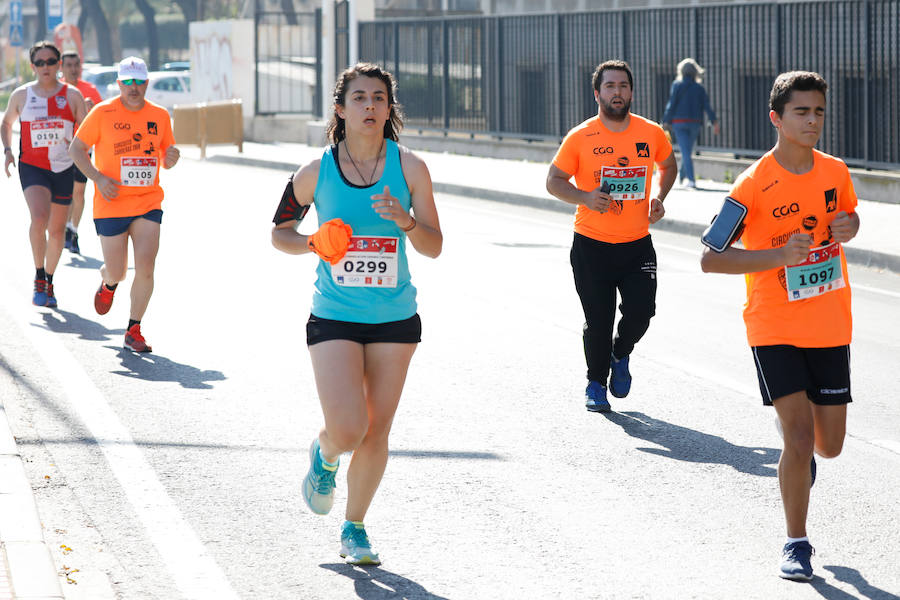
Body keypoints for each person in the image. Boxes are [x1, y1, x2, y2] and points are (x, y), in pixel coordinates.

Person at [271, 63, 442, 565]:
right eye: (361, 98)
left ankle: (355, 527)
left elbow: (434, 246)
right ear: (340, 109)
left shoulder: (410, 168)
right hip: (335, 315)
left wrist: (407, 221)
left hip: (394, 317)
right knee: (348, 428)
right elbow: (278, 233)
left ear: (390, 109)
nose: (371, 106)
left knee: (376, 431)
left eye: (380, 98)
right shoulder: (315, 171)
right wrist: (311, 243)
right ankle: (325, 454)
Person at [700, 71, 859, 581]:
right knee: (797, 435)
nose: (812, 121)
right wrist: (775, 255)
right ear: (776, 118)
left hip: (830, 320)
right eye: (801, 112)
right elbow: (710, 258)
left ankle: (804, 451)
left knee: (827, 445)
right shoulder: (752, 183)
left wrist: (850, 226)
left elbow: (849, 218)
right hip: (773, 324)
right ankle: (796, 542)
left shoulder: (836, 171)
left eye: (818, 112)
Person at [546, 59, 677, 412]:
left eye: (623, 86)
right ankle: (594, 383)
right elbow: (553, 181)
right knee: (598, 322)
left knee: (642, 313)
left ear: (631, 92)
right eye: (609, 86)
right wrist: (586, 197)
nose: (617, 92)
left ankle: (621, 353)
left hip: (637, 245)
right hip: (591, 244)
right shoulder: (581, 136)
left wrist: (658, 197)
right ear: (597, 94)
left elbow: (668, 165)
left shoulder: (650, 133)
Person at [69, 57, 180, 352]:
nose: (133, 87)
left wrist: (171, 157)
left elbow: (166, 153)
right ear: (119, 83)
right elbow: (76, 149)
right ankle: (108, 282)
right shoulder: (103, 112)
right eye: (127, 82)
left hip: (147, 201)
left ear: (146, 83)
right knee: (118, 271)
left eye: (138, 81)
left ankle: (134, 329)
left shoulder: (159, 114)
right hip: (111, 203)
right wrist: (97, 178)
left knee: (145, 266)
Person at [1, 41, 87, 307]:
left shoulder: (72, 96)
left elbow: (85, 131)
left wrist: (77, 144)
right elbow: (6, 123)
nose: (46, 67)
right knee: (39, 218)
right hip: (33, 166)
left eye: (51, 61)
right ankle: (39, 275)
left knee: (58, 230)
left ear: (58, 64)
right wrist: (7, 150)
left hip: (63, 167)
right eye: (40, 63)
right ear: (33, 66)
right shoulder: (22, 95)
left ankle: (49, 278)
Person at [60, 49, 103, 255]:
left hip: (83, 149)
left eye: (76, 65)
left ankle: (73, 232)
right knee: (63, 194)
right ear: (62, 67)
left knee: (78, 193)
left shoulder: (90, 90)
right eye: (68, 65)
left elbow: (103, 118)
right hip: (59, 150)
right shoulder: (56, 90)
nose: (73, 69)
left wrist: (90, 110)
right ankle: (63, 227)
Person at [661, 58, 720, 189]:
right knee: (686, 150)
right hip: (695, 123)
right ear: (695, 72)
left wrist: (665, 121)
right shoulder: (699, 88)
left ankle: (691, 180)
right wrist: (714, 121)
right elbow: (707, 106)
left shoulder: (677, 85)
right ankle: (682, 177)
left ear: (681, 71)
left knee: (685, 151)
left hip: (679, 123)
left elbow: (671, 104)